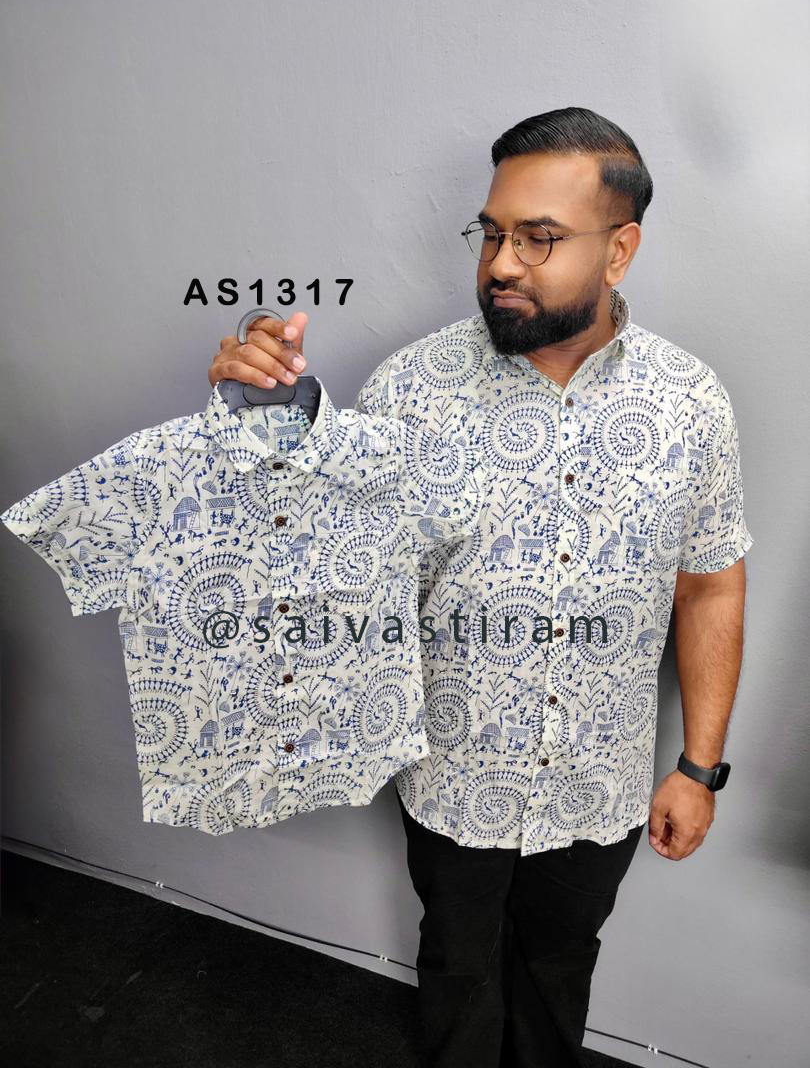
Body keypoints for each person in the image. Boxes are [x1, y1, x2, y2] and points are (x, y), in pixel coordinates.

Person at [205, 107, 752, 1068]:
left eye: (539, 238)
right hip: (452, 777)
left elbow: (710, 587)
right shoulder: (410, 390)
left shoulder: (691, 405)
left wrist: (699, 768)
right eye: (492, 233)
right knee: (457, 970)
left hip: (598, 783)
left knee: (557, 971)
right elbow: (319, 570)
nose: (501, 263)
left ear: (619, 251)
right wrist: (261, 426)